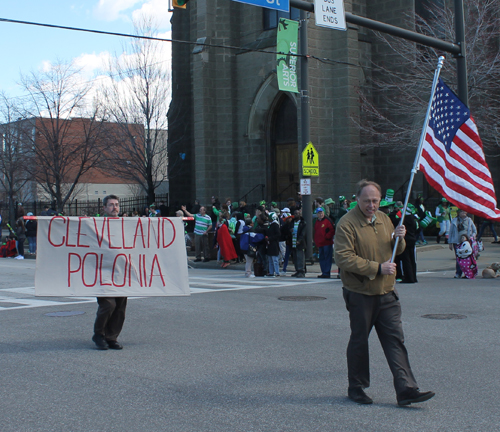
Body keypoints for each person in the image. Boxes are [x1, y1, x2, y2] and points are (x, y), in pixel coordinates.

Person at [334, 179, 435, 406]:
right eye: (367, 200)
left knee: (395, 341)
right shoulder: (347, 223)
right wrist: (377, 268)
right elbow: (343, 257)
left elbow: (396, 251)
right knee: (360, 341)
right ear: (357, 199)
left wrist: (399, 237)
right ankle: (356, 387)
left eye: (375, 200)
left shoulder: (384, 219)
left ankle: (406, 389)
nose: (372, 205)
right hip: (360, 292)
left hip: (387, 292)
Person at [92, 195, 127, 351]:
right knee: (108, 304)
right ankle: (98, 334)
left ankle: (111, 337)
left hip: (120, 271)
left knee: (120, 306)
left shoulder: (126, 224)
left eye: (117, 204)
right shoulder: (96, 225)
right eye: (111, 205)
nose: (115, 207)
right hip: (102, 271)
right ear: (104, 208)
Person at [449, 209, 478, 279]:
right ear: (458, 213)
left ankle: (467, 273)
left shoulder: (469, 220)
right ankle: (458, 273)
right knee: (459, 258)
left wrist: (472, 236)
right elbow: (451, 232)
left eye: (465, 211)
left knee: (467, 258)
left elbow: (474, 231)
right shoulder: (454, 220)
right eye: (462, 211)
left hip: (466, 243)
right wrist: (450, 242)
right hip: (457, 242)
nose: (464, 213)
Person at [313, 207, 335, 278]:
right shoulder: (317, 222)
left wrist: (327, 237)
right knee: (322, 258)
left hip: (327, 243)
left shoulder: (327, 220)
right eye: (319, 213)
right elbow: (316, 231)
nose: (321, 214)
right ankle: (324, 272)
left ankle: (327, 272)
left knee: (327, 258)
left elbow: (332, 230)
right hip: (320, 243)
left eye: (321, 213)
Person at [290, 209, 307, 278]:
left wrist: (299, 240)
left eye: (297, 214)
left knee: (300, 258)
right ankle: (297, 270)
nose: (296, 215)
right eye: (295, 214)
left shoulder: (303, 223)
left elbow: (303, 233)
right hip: (293, 242)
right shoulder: (292, 222)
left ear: (300, 215)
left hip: (300, 243)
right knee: (295, 258)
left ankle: (301, 271)